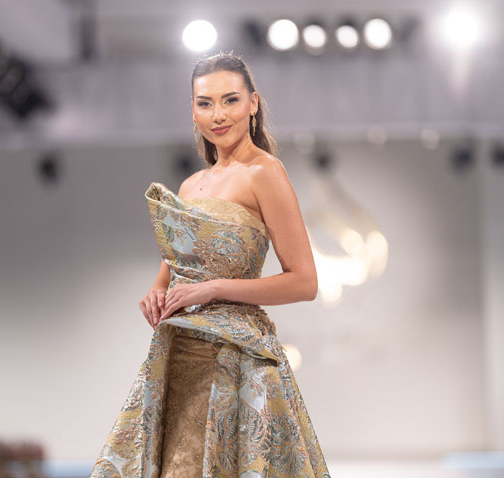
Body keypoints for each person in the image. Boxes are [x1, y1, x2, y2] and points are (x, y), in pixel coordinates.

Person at [90, 52, 331, 478]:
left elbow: (304, 282)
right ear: (193, 111)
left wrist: (215, 288)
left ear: (253, 104)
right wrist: (155, 295)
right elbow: (169, 275)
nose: (218, 115)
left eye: (230, 100)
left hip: (238, 362)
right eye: (206, 103)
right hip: (179, 359)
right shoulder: (190, 186)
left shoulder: (265, 172)